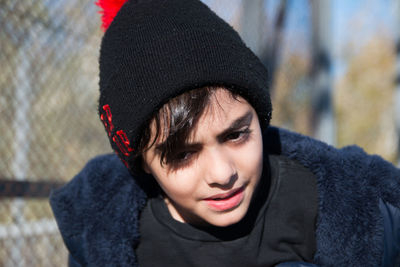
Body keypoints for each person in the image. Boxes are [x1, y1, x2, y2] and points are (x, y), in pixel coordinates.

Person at [50, 0, 400, 266]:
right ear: (141, 161)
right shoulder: (102, 237)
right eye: (182, 154)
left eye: (236, 135)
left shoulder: (347, 207)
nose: (223, 173)